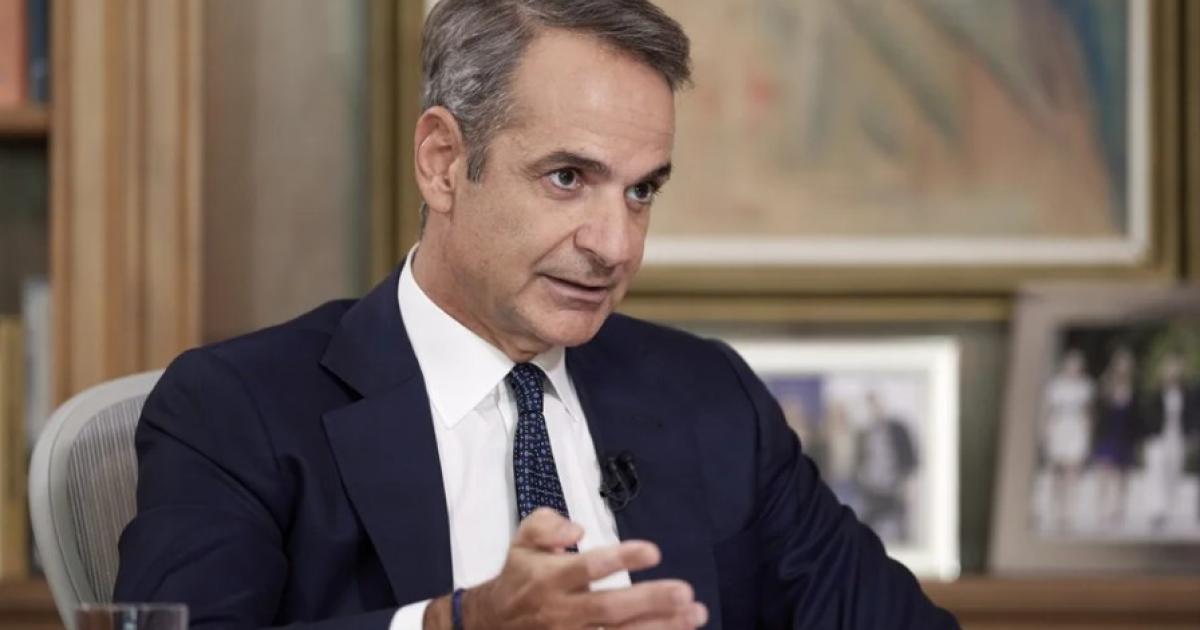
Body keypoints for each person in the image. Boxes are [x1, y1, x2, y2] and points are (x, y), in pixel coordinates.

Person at [113, 1, 957, 628]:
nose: (614, 245)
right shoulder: (238, 409)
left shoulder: (710, 398)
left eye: (641, 191)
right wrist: (454, 625)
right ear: (444, 163)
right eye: (567, 178)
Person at [1140, 351, 1199, 530]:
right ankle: (1156, 510)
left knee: (1173, 473)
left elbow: (1191, 415)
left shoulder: (1186, 393)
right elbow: (1148, 415)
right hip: (1158, 438)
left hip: (1177, 437)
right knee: (1156, 472)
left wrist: (1192, 434)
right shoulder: (1156, 392)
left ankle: (1168, 508)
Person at [1039, 349, 1095, 533]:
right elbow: (1048, 411)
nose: (1074, 368)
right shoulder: (1056, 386)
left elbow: (1088, 413)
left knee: (1072, 472)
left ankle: (1068, 513)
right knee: (1056, 472)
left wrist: (1088, 435)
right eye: (1071, 364)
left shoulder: (1085, 386)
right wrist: (1045, 433)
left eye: (1077, 365)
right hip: (1059, 429)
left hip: (1076, 430)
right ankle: (1054, 510)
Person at [852, 392, 919, 543]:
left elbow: (910, 458)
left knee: (898, 529)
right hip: (871, 489)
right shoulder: (865, 432)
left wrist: (909, 485)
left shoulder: (898, 428)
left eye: (875, 405)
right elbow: (860, 460)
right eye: (869, 406)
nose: (873, 409)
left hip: (893, 487)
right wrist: (861, 477)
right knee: (866, 526)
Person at [1090, 346, 1139, 529]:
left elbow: (1137, 416)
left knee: (1122, 477)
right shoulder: (1106, 385)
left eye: (1126, 364)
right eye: (1121, 363)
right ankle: (1101, 509)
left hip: (1125, 436)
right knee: (1104, 473)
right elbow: (1097, 411)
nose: (1123, 367)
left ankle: (1118, 510)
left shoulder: (1134, 387)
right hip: (1107, 434)